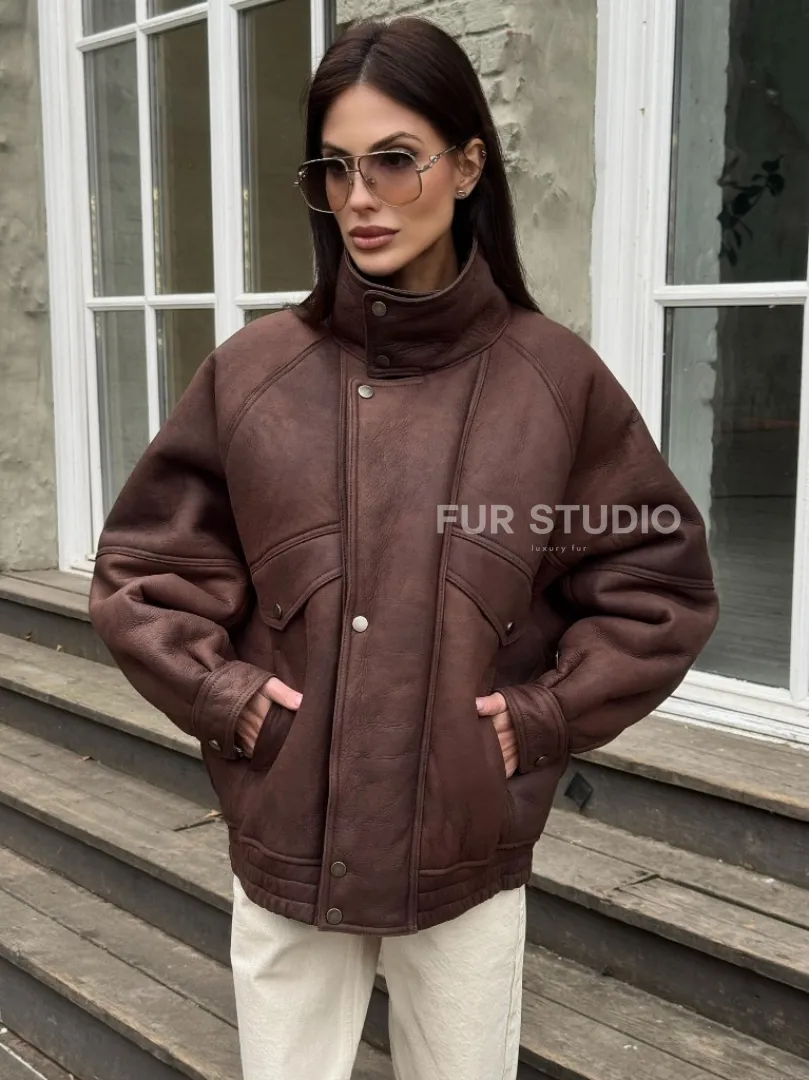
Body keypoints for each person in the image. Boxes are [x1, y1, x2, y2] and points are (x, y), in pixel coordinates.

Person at [87, 14, 719, 1080]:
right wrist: (225, 697)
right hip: (289, 833)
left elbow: (654, 580)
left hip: (464, 843)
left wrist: (545, 715)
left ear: (467, 166)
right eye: (334, 168)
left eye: (393, 159)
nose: (360, 197)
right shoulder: (254, 373)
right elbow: (148, 571)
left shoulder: (553, 381)